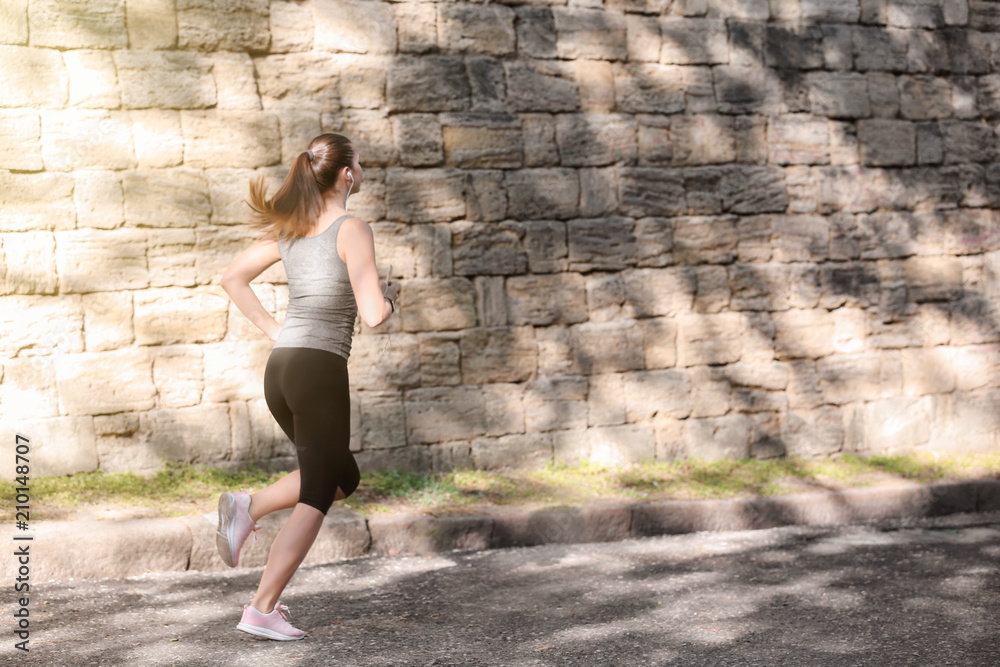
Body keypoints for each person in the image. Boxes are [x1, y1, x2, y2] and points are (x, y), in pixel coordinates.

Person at [217, 133, 397, 641]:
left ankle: (246, 508)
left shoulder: (292, 228)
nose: (361, 168)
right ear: (346, 175)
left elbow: (233, 277)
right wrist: (391, 297)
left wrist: (279, 334)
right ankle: (261, 609)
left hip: (283, 369)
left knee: (342, 478)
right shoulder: (352, 228)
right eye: (359, 162)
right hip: (317, 370)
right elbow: (373, 315)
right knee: (319, 491)